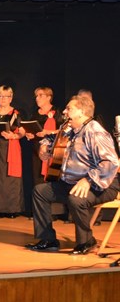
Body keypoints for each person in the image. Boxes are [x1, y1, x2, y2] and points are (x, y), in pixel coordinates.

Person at [27, 94, 119, 254]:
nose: (64, 111)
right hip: (72, 182)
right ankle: (48, 239)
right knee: (40, 192)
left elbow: (111, 162)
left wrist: (88, 180)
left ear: (81, 112)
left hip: (103, 185)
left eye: (69, 108)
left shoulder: (95, 131)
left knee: (76, 199)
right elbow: (51, 137)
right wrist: (44, 147)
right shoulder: (70, 128)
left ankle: (87, 241)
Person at [0, 85, 24, 218]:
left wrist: (14, 136)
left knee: (11, 179)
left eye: (6, 96)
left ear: (11, 98)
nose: (3, 99)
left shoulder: (15, 113)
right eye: (0, 96)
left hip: (11, 147)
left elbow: (22, 131)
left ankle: (12, 210)